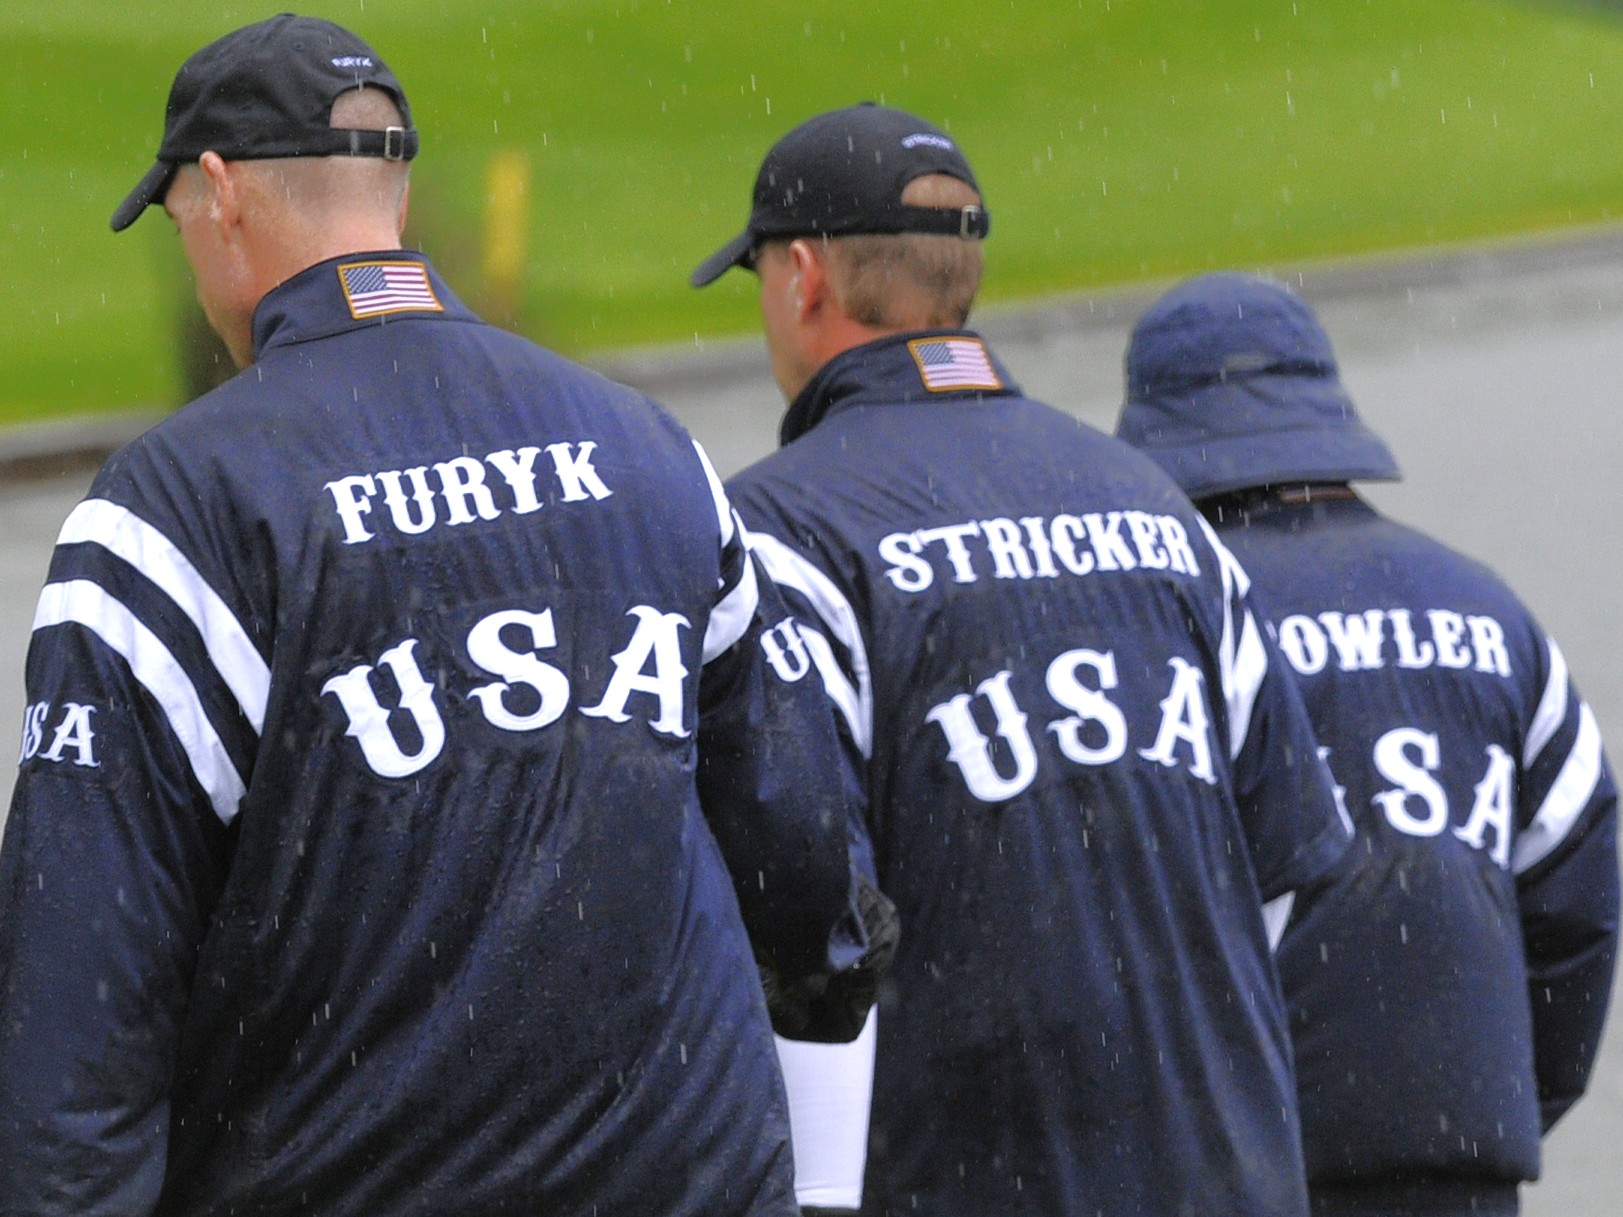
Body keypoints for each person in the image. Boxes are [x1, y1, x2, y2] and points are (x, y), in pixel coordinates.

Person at [0, 16, 885, 1214]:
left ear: (218, 195)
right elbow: (803, 855)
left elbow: (75, 1008)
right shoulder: (652, 451)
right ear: (395, 195)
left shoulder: (173, 511)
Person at [690, 102, 1352, 1217]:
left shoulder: (779, 533)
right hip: (1228, 1169)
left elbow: (803, 919)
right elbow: (1285, 867)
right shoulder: (1158, 506)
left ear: (804, 275)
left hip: (964, 1176)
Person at [1115, 270, 1621, 1216]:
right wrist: (1494, 1091)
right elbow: (1578, 891)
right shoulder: (1486, 605)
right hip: (1461, 1151)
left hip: (1251, 1156)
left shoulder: (1176, 619)